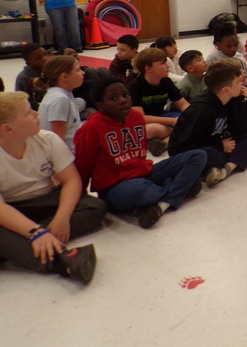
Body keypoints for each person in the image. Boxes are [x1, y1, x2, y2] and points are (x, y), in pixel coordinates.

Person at [0, 92, 106, 283]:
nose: (36, 113)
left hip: (49, 200)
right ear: (8, 129)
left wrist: (61, 219)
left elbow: (71, 181)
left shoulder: (48, 139)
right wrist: (35, 232)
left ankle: (23, 246)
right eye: (28, 113)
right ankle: (62, 260)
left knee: (95, 206)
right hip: (12, 208)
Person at [74, 77, 207, 229]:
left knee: (198, 156)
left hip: (145, 174)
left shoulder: (136, 117)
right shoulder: (91, 128)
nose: (123, 100)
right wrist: (81, 199)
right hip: (116, 189)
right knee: (142, 190)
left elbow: (141, 156)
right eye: (113, 98)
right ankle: (180, 188)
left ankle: (162, 204)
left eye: (125, 95)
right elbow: (82, 167)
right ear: (100, 106)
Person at [169, 62, 247, 186]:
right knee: (208, 154)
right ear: (225, 89)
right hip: (191, 151)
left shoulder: (229, 99)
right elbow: (184, 147)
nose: (241, 84)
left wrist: (238, 100)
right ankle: (240, 157)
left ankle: (226, 169)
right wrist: (219, 146)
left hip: (215, 140)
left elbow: (242, 128)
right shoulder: (201, 110)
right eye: (237, 82)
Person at [127, 48, 190, 156]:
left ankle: (163, 143)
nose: (167, 66)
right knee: (152, 129)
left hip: (162, 116)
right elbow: (140, 118)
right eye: (162, 63)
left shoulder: (166, 82)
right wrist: (172, 122)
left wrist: (193, 114)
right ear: (148, 69)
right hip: (143, 123)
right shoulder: (134, 87)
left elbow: (183, 104)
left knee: (190, 120)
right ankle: (182, 133)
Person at [35, 55, 85, 154]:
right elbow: (57, 139)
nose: (83, 72)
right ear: (64, 77)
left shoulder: (64, 93)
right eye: (78, 70)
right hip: (68, 156)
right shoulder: (60, 99)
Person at [15, 43, 49, 111]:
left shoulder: (51, 71)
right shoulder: (23, 78)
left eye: (46, 54)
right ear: (29, 63)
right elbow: (22, 102)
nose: (45, 59)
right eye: (38, 58)